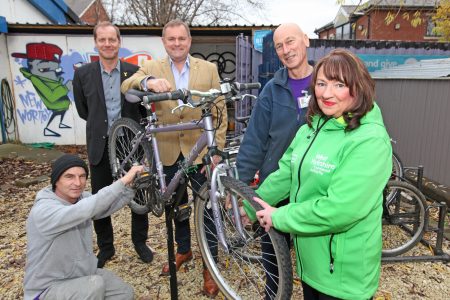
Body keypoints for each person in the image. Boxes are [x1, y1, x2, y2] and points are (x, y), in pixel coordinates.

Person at [243, 49, 392, 299]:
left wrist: (280, 215)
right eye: (321, 83)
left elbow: (341, 209)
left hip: (344, 276)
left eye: (339, 84)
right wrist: (249, 206)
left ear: (359, 87)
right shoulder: (312, 127)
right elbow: (286, 174)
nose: (326, 93)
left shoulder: (370, 140)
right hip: (311, 266)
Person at [121, 19, 227, 297]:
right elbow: (127, 84)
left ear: (189, 41)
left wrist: (216, 148)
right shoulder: (152, 66)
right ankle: (183, 251)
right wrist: (148, 81)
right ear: (164, 42)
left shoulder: (209, 69)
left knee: (207, 211)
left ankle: (210, 266)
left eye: (182, 39)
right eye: (171, 39)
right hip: (168, 149)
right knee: (176, 207)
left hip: (200, 151)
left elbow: (220, 111)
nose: (177, 43)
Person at [236, 23, 313, 298]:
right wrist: (240, 188)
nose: (286, 50)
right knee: (274, 264)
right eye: (279, 46)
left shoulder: (325, 84)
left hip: (312, 191)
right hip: (275, 190)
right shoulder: (272, 89)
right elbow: (254, 141)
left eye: (290, 42)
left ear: (305, 40)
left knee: (310, 265)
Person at [73, 21, 153, 268]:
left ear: (119, 42)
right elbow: (84, 110)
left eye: (112, 39)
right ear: (96, 43)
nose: (107, 44)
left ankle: (140, 243)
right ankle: (106, 247)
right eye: (102, 40)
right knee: (100, 200)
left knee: (138, 195)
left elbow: (141, 108)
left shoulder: (134, 72)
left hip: (131, 146)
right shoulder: (83, 74)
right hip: (100, 145)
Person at [23, 154, 144, 300]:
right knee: (94, 285)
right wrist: (123, 180)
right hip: (46, 289)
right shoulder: (44, 211)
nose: (77, 182)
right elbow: (87, 208)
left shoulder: (81, 200)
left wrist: (132, 187)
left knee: (123, 292)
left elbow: (105, 206)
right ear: (56, 181)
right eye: (69, 177)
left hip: (78, 276)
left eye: (82, 176)